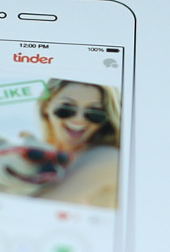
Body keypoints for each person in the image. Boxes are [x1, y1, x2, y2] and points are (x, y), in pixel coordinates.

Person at [35, 78, 121, 208]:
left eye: (94, 112)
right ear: (46, 106)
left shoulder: (107, 157)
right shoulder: (46, 156)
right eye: (67, 108)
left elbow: (40, 206)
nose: (78, 120)